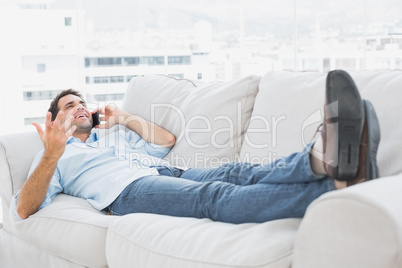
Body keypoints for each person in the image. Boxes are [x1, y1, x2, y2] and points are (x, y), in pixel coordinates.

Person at [14, 70, 381, 224]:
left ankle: (322, 160)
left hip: (164, 172)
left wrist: (123, 117)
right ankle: (335, 187)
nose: (79, 107)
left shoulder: (111, 135)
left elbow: (167, 141)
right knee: (213, 196)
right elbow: (24, 209)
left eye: (81, 102)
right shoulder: (54, 155)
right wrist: (51, 153)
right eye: (68, 105)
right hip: (127, 193)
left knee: (241, 172)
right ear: (53, 120)